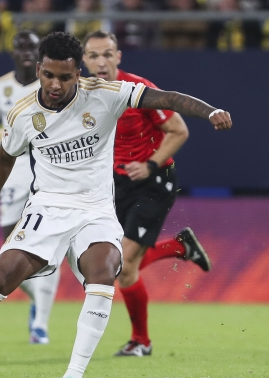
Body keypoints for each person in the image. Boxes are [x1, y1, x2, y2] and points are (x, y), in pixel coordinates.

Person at [0, 31, 232, 378]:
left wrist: (209, 110)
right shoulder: (23, 113)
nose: (55, 84)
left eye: (65, 77)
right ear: (38, 69)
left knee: (105, 271)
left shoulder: (105, 94)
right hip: (48, 207)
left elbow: (168, 98)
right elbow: (4, 157)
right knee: (1, 278)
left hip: (96, 209)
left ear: (77, 72)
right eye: (48, 75)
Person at [82, 30, 213, 357]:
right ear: (83, 60)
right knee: (118, 267)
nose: (101, 61)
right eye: (94, 55)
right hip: (115, 184)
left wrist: (151, 164)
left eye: (107, 54)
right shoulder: (82, 95)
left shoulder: (138, 90)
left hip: (154, 180)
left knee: (123, 266)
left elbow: (179, 130)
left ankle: (141, 341)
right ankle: (179, 246)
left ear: (118, 56)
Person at [0, 30, 60, 344]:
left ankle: (40, 324)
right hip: (13, 171)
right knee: (9, 251)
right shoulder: (0, 88)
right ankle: (38, 296)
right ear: (12, 52)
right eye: (20, 46)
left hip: (51, 171)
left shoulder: (52, 83)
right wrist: (10, 136)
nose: (26, 52)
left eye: (32, 47)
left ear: (41, 52)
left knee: (51, 249)